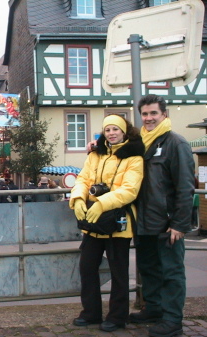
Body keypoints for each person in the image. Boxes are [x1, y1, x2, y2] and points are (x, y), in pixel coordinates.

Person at [70, 114, 144, 332]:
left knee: (118, 272)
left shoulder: (134, 157)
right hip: (95, 220)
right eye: (108, 129)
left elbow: (130, 190)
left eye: (115, 129)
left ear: (124, 131)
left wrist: (102, 203)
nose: (111, 133)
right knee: (87, 267)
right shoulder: (96, 154)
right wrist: (77, 198)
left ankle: (117, 317)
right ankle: (91, 313)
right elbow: (83, 179)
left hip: (118, 220)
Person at [129, 94, 195, 337]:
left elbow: (185, 187)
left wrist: (179, 224)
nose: (148, 118)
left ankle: (173, 320)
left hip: (167, 224)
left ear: (164, 115)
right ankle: (154, 309)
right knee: (149, 269)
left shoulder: (175, 143)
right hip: (144, 221)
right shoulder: (140, 144)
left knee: (172, 272)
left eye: (153, 113)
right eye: (145, 114)